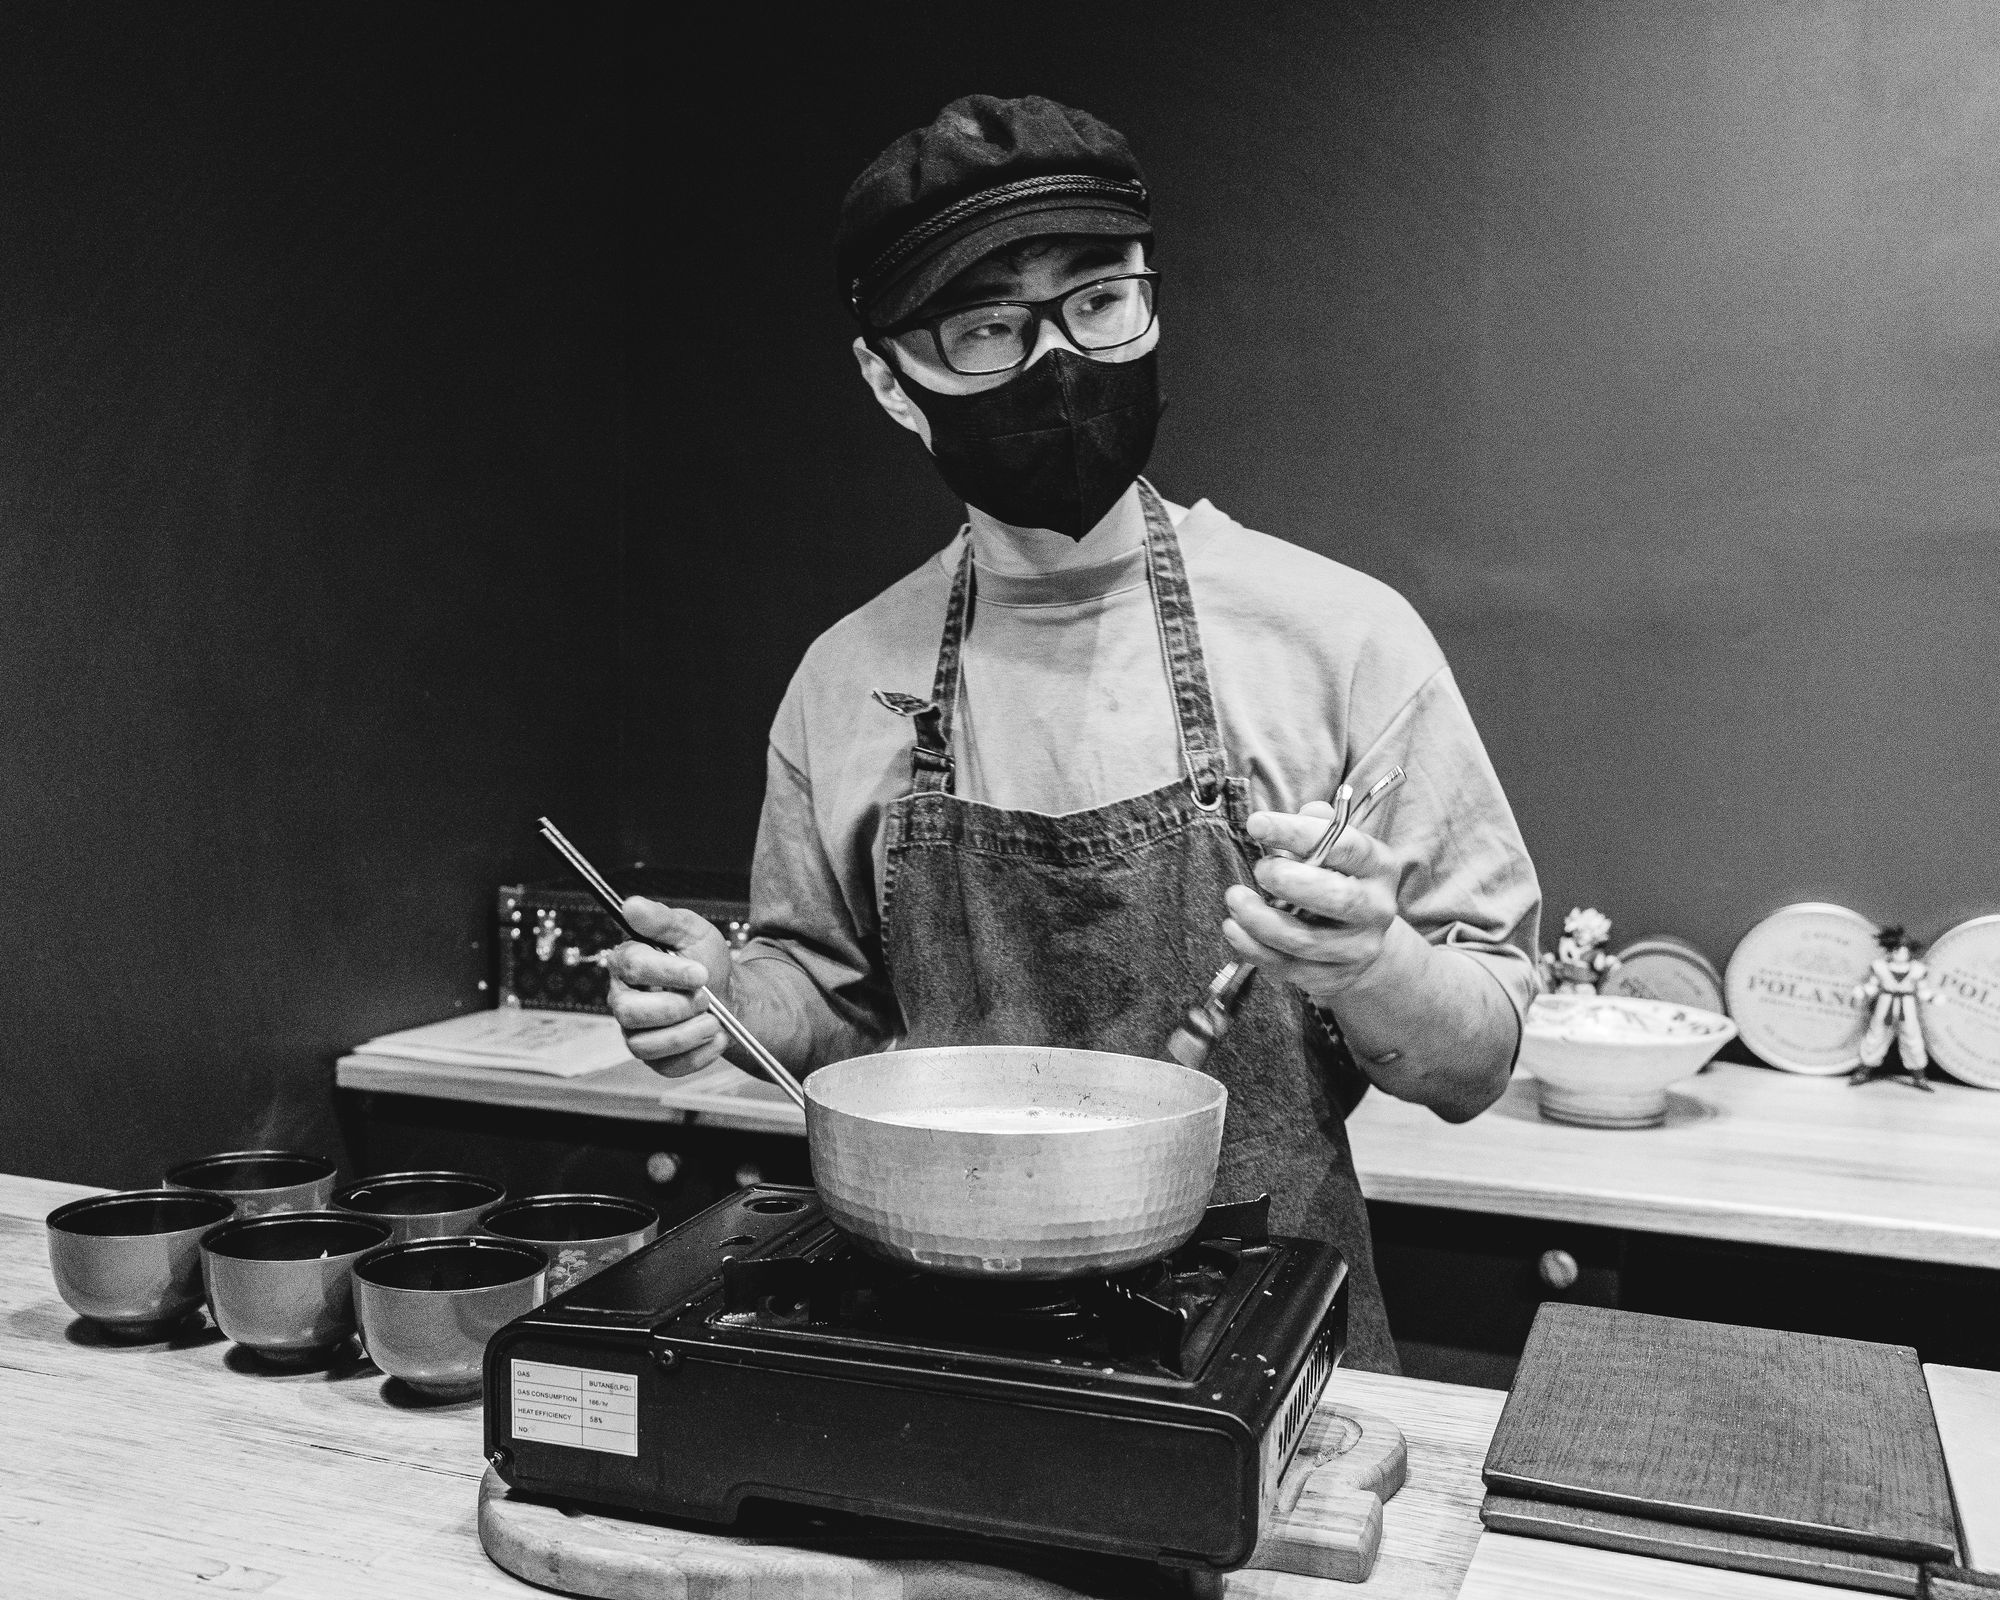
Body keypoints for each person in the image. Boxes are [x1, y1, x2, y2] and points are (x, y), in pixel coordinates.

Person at [608, 94, 1541, 1371]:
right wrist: (724, 999)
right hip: (944, 1328)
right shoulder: (847, 678)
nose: (1058, 362)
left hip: (1276, 1342)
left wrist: (1370, 961)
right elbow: (821, 1002)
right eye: (989, 327)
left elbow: (1475, 1063)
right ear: (889, 381)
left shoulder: (1340, 638)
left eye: (1098, 300)